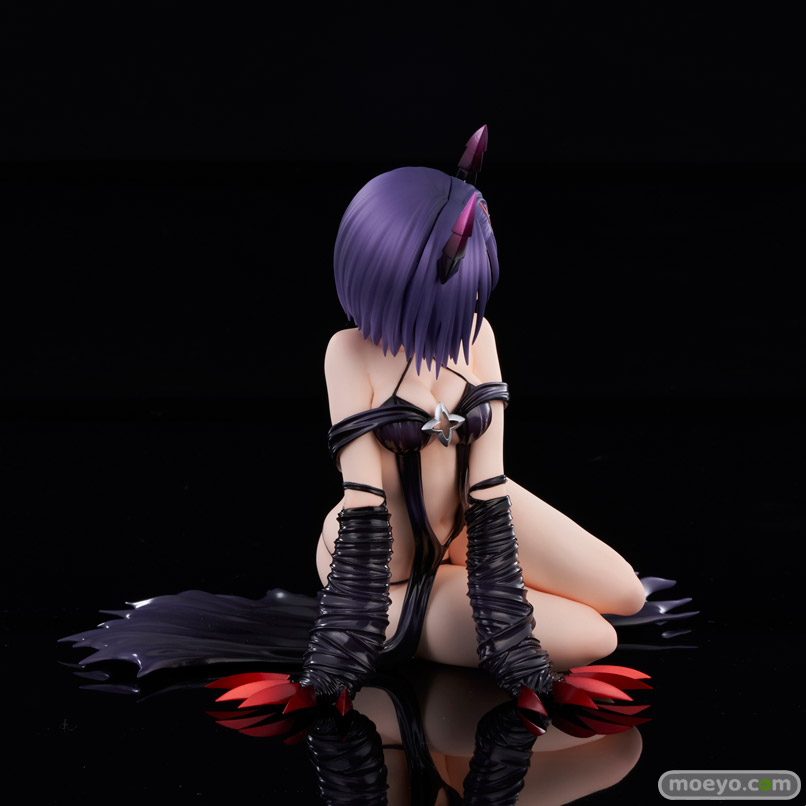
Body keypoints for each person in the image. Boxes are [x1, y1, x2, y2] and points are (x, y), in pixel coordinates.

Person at [62, 126, 649, 722]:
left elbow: (490, 489)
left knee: (627, 595)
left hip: (466, 522)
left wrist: (516, 652)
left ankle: (461, 599)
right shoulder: (348, 352)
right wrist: (334, 666)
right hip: (385, 565)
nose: (458, 309)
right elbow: (365, 503)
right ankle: (385, 623)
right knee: (595, 636)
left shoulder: (479, 336)